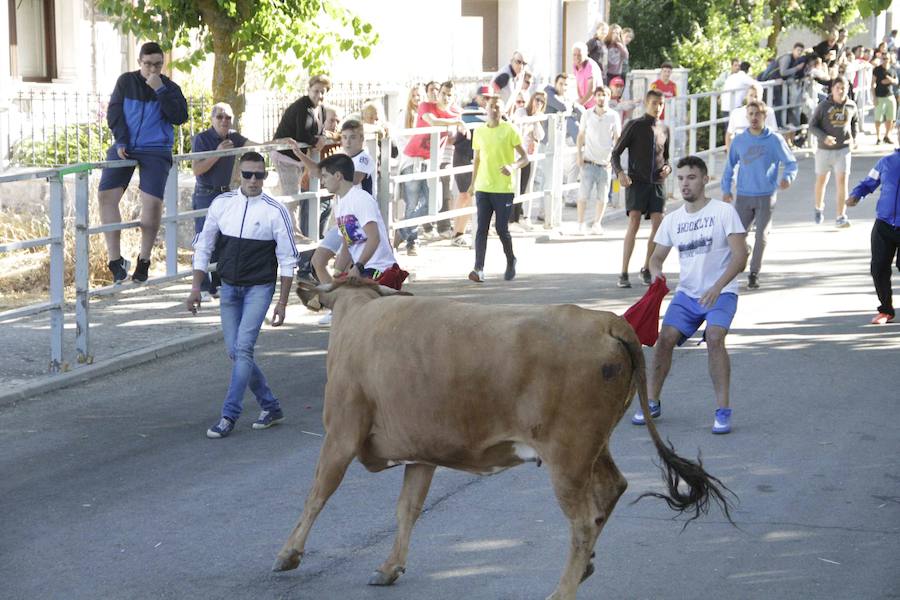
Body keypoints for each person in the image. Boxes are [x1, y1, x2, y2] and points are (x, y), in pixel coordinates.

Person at [632, 156, 748, 435]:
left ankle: (722, 410)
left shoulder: (723, 212)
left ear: (705, 180)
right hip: (687, 295)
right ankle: (651, 401)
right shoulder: (672, 220)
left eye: (691, 177)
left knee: (715, 337)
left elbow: (741, 256)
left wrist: (718, 286)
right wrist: (657, 272)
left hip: (721, 292)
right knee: (664, 341)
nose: (685, 183)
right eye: (681, 178)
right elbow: (656, 258)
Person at [187, 151, 298, 439]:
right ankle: (270, 406)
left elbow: (288, 259)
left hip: (259, 288)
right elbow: (204, 245)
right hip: (229, 287)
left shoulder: (276, 210)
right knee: (235, 351)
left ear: (265, 176)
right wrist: (196, 287)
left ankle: (228, 415)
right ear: (238, 175)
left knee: (244, 349)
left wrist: (283, 302)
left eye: (259, 175)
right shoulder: (222, 204)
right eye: (247, 174)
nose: (253, 180)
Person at [98, 42, 188, 284]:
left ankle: (145, 259)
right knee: (106, 196)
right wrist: (121, 140)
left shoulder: (169, 87)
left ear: (163, 64)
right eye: (148, 64)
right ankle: (115, 260)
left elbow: (180, 117)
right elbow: (114, 113)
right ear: (139, 62)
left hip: (156, 149)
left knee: (151, 207)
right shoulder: (125, 82)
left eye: (157, 64)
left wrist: (160, 90)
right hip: (125, 145)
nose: (152, 68)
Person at [721, 100, 797, 289]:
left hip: (766, 195)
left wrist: (787, 178)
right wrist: (726, 189)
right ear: (747, 116)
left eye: (758, 114)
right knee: (738, 235)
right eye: (751, 114)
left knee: (761, 236)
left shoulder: (774, 140)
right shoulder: (739, 140)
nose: (754, 118)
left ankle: (754, 273)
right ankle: (741, 258)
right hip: (744, 195)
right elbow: (729, 166)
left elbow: (791, 163)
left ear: (765, 116)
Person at [190, 103, 254, 301]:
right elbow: (197, 169)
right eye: (220, 117)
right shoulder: (201, 139)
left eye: (228, 117)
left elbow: (256, 145)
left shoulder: (233, 137)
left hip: (224, 194)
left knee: (223, 239)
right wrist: (218, 153)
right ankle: (201, 286)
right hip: (205, 194)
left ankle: (216, 283)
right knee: (204, 239)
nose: (224, 121)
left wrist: (282, 142)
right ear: (212, 119)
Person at [611, 89, 671, 289]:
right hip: (636, 181)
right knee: (634, 221)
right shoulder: (634, 125)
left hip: (657, 183)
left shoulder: (664, 129)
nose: (658, 107)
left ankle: (647, 267)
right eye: (654, 103)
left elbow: (667, 158)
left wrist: (667, 168)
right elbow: (615, 154)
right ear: (647, 103)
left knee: (658, 224)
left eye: (661, 103)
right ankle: (623, 271)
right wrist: (620, 173)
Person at [467, 93, 530, 283]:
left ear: (502, 110)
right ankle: (478, 268)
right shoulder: (479, 132)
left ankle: (511, 259)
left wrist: (512, 166)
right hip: (483, 187)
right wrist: (472, 183)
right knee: (481, 229)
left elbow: (525, 158)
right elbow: (477, 159)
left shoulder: (510, 130)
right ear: (486, 109)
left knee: (502, 228)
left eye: (497, 107)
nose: (494, 110)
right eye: (491, 106)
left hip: (503, 189)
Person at [317, 153, 402, 288]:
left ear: (338, 176)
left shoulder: (361, 199)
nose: (322, 182)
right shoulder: (340, 204)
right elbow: (347, 244)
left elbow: (374, 238)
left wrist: (358, 266)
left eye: (325, 176)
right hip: (364, 269)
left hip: (380, 271)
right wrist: (337, 274)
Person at [398, 81, 462, 255]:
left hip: (431, 162)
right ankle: (412, 241)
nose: (446, 97)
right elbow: (432, 121)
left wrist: (457, 123)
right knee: (412, 202)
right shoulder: (426, 106)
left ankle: (401, 232)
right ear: (438, 93)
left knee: (436, 202)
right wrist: (456, 122)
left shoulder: (455, 112)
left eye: (450, 95)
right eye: (443, 93)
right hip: (413, 159)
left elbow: (455, 134)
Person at [272, 74, 331, 238]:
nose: (319, 95)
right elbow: (302, 135)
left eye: (322, 92)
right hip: (285, 155)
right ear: (309, 90)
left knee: (293, 195)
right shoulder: (302, 107)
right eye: (316, 91)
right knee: (292, 197)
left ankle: (292, 232)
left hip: (299, 157)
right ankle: (294, 235)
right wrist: (316, 141)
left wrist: (322, 138)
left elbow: (320, 132)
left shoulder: (321, 109)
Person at [847, 148, 900, 325]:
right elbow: (869, 182)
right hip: (884, 223)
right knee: (878, 267)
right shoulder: (886, 161)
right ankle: (886, 310)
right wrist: (856, 194)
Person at [809, 76, 858, 228]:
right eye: (837, 88)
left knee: (842, 182)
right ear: (832, 89)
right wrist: (824, 137)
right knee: (821, 181)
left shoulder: (851, 106)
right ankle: (818, 207)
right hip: (824, 150)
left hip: (843, 150)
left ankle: (840, 216)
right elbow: (812, 126)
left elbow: (854, 123)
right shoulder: (823, 106)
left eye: (843, 88)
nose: (840, 91)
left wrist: (854, 139)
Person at [576, 85, 621, 235]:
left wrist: (615, 161)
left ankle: (597, 223)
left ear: (609, 97)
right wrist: (579, 154)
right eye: (599, 95)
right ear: (595, 97)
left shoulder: (613, 116)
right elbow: (581, 135)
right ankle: (581, 224)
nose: (601, 98)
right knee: (583, 195)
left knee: (602, 196)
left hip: (605, 163)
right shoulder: (587, 114)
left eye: (604, 95)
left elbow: (617, 139)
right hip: (589, 160)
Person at [450, 86, 489, 247]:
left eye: (489, 98)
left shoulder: (481, 112)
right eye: (484, 97)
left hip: (471, 155)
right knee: (465, 194)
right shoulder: (470, 111)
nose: (486, 101)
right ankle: (458, 233)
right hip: (463, 154)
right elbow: (472, 121)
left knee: (466, 195)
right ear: (477, 97)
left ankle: (458, 231)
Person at [512, 91, 546, 228]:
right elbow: (520, 131)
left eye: (542, 101)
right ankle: (512, 219)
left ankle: (525, 217)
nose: (538, 103)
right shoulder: (521, 112)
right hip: (518, 155)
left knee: (528, 187)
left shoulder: (538, 117)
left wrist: (536, 120)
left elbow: (540, 136)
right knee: (516, 187)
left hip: (531, 157)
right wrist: (532, 124)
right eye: (537, 99)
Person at [725, 82, 778, 151]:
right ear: (746, 96)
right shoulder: (736, 113)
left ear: (761, 97)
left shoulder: (768, 112)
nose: (753, 99)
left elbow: (774, 134)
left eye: (756, 96)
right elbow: (729, 134)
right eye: (751, 95)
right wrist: (730, 154)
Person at [873, 54, 898, 144]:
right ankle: (878, 137)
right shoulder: (877, 70)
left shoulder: (892, 69)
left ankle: (887, 136)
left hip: (890, 96)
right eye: (883, 59)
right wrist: (874, 97)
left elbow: (896, 81)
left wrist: (890, 80)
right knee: (878, 119)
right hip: (880, 96)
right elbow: (872, 84)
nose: (885, 60)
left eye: (887, 58)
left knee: (890, 118)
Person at [572, 42, 602, 111]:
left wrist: (580, 104)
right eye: (574, 55)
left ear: (586, 54)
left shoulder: (590, 66)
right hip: (584, 103)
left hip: (593, 104)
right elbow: (578, 84)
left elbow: (592, 90)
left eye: (579, 55)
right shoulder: (575, 65)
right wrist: (580, 100)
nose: (576, 57)